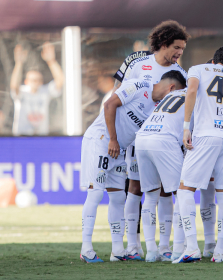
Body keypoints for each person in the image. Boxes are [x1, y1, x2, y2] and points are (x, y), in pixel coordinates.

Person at [78, 63, 184, 262]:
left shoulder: (157, 107)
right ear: (172, 88)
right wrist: (113, 139)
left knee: (118, 197)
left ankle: (118, 250)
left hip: (119, 149)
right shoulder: (138, 85)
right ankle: (86, 249)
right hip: (101, 141)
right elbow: (109, 105)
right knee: (95, 193)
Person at [117, 20, 189, 260]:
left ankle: (165, 246)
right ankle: (134, 245)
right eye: (177, 48)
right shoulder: (139, 65)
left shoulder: (180, 73)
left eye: (182, 49)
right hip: (139, 136)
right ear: (164, 43)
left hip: (167, 138)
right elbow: (120, 94)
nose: (179, 53)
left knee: (166, 192)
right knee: (136, 189)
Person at [176, 46, 223, 264]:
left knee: (185, 189)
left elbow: (192, 91)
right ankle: (219, 252)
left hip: (206, 133)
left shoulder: (199, 68)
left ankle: (193, 248)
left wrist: (187, 126)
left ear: (214, 60)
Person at [133, 70, 189, 262]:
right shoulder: (193, 94)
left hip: (142, 137)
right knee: (182, 193)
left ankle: (151, 251)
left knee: (150, 195)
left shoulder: (171, 94)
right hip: (164, 139)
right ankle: (178, 250)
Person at [10, 42, 65, 136]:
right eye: (33, 80)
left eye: (39, 80)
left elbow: (60, 81)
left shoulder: (45, 91)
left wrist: (51, 61)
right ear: (26, 81)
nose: (36, 83)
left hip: (41, 137)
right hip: (22, 137)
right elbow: (14, 86)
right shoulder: (23, 92)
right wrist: (19, 64)